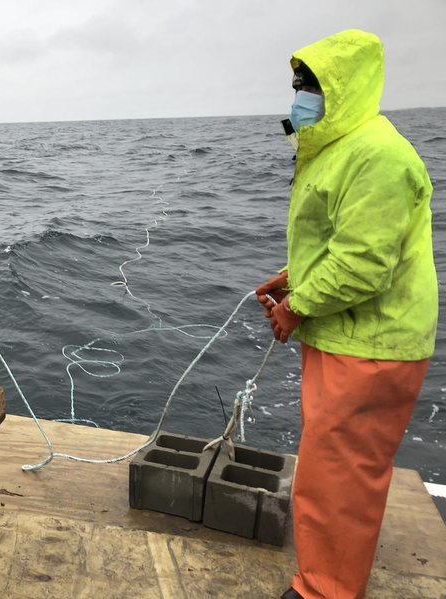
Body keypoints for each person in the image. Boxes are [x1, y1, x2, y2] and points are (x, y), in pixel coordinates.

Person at [255, 29, 437, 599]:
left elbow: (363, 265)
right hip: (347, 335)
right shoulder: (340, 148)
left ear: (345, 87)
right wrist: (293, 277)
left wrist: (296, 307)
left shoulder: (377, 155)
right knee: (331, 466)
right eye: (297, 84)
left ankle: (326, 591)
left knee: (339, 476)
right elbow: (340, 240)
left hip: (371, 343)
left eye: (310, 85)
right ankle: (326, 578)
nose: (299, 95)